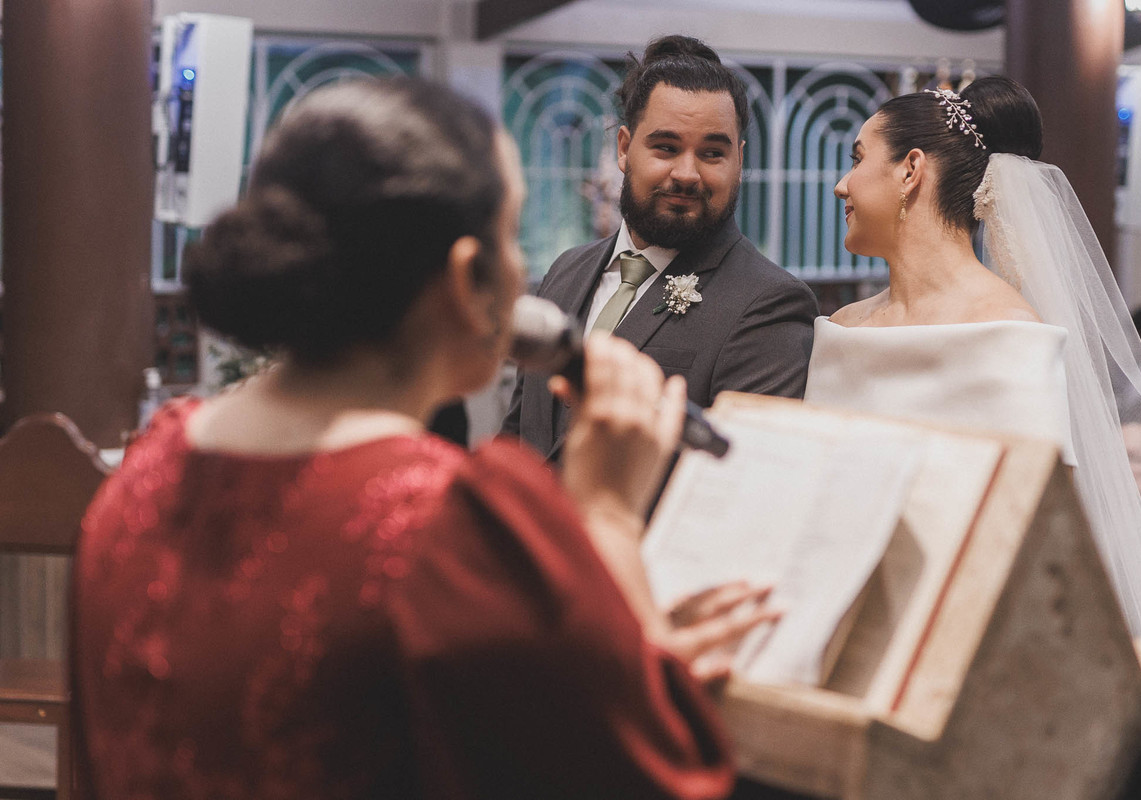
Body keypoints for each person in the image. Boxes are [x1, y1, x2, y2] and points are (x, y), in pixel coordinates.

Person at [70, 77, 778, 799]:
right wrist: (610, 521)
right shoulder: (441, 523)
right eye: (511, 235)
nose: (520, 271)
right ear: (468, 278)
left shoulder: (146, 471)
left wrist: (614, 645)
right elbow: (645, 774)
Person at [808, 75, 1141, 645]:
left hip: (951, 634)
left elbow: (1034, 538)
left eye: (858, 158)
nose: (842, 185)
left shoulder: (1007, 338)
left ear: (910, 170)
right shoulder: (841, 330)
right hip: (827, 622)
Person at [503, 35, 818, 459]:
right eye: (666, 148)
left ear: (739, 162)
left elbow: (736, 475)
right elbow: (518, 436)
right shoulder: (566, 271)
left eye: (712, 153)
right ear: (624, 148)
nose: (687, 173)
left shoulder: (769, 303)